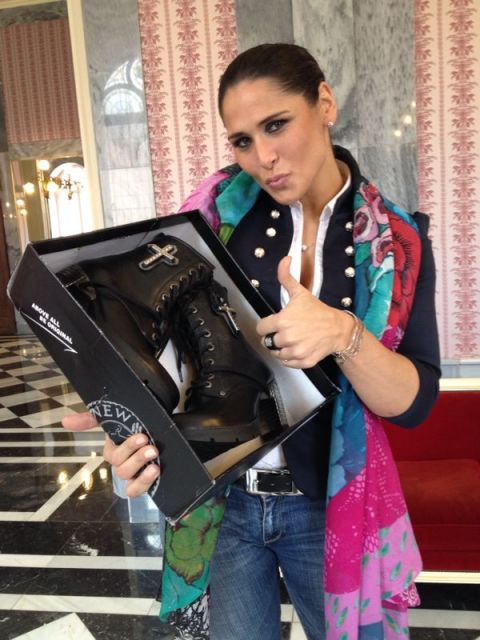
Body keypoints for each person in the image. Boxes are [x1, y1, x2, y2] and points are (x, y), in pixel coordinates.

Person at [62, 43, 441, 640]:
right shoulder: (210, 224)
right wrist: (126, 408)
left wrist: (344, 335)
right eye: (242, 140)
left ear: (324, 103)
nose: (263, 158)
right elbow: (166, 348)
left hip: (329, 508)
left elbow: (413, 403)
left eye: (277, 125)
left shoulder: (396, 242)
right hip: (223, 504)